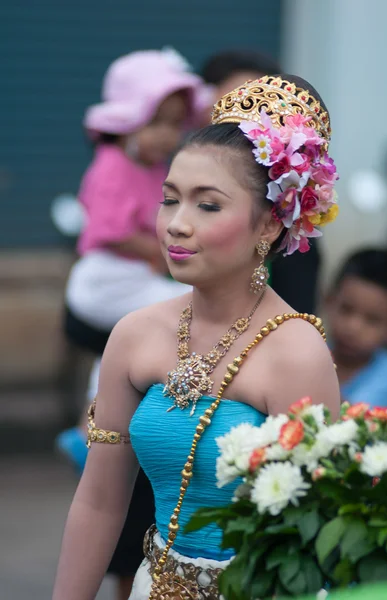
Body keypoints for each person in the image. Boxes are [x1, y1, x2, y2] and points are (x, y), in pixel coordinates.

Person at [53, 74, 340, 600]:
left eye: (207, 205)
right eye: (169, 200)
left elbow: (313, 538)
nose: (175, 225)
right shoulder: (135, 334)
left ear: (269, 225)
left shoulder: (296, 353)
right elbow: (99, 501)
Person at [56, 49, 203, 600]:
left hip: (119, 280)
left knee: (120, 357)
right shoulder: (112, 166)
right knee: (169, 311)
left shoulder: (144, 168)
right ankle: (88, 430)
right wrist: (158, 249)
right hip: (105, 279)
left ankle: (88, 429)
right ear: (126, 118)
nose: (168, 135)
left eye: (175, 123)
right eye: (157, 122)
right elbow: (113, 232)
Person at [198, 49, 322, 314]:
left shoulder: (288, 211)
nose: (249, 116)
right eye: (239, 100)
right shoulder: (162, 164)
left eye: (262, 105)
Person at [326, 248, 387, 406]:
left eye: (372, 320)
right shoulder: (306, 354)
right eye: (346, 309)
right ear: (329, 300)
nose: (353, 328)